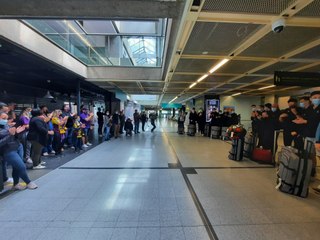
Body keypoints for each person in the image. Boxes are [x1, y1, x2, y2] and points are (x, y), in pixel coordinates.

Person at [0, 111, 37, 190]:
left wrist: (17, 133)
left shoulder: (7, 125)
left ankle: (15, 184)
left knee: (16, 167)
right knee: (21, 166)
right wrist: (11, 134)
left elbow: (14, 135)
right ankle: (28, 182)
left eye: (7, 118)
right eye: (3, 118)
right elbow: (2, 141)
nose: (6, 120)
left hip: (18, 146)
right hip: (7, 150)